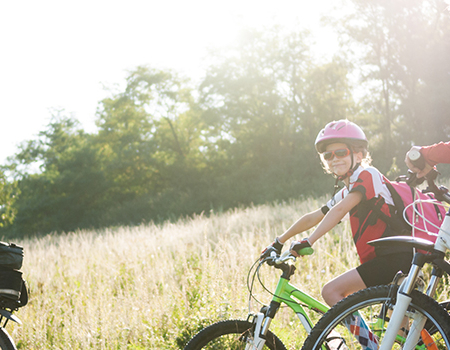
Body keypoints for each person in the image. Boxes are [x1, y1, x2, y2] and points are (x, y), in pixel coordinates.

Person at [261, 119, 414, 309]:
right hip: (382, 259)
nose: (334, 159)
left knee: (331, 292)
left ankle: (363, 340)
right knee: (402, 332)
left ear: (358, 156)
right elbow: (314, 216)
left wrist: (309, 241)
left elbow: (340, 210)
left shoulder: (369, 175)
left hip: (393, 257)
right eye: (328, 156)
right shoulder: (347, 190)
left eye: (341, 152)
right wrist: (278, 241)